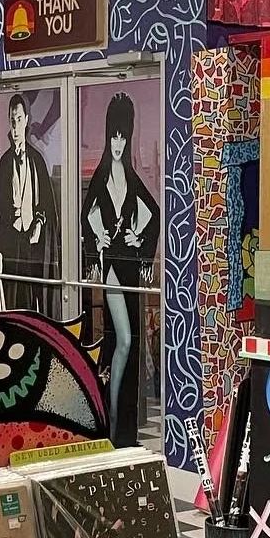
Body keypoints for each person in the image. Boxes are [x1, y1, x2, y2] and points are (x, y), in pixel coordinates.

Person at [81, 92, 159, 445]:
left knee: (128, 342)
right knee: (124, 340)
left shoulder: (129, 176)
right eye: (113, 133)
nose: (117, 141)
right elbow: (86, 220)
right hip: (112, 269)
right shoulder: (100, 178)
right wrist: (94, 250)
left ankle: (121, 428)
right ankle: (112, 423)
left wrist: (139, 245)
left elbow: (153, 215)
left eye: (122, 135)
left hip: (128, 267)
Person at [0, 93, 59, 315]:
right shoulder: (4, 162)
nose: (16, 125)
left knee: (35, 302)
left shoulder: (37, 160)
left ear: (27, 120)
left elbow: (47, 206)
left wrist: (38, 225)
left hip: (33, 245)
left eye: (19, 119)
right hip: (12, 243)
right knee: (13, 302)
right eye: (12, 119)